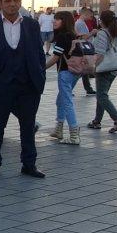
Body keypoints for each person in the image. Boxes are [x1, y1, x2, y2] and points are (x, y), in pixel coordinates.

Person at [0, 0, 47, 178]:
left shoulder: (32, 25)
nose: (12, 4)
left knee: (28, 126)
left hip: (28, 85)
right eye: (7, 1)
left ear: (20, 1)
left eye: (16, 0)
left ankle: (29, 164)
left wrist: (39, 78)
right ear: (0, 3)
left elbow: (40, 54)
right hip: (1, 85)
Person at [43, 10, 82, 146]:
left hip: (65, 72)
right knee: (61, 100)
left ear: (64, 21)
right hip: (75, 72)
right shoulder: (72, 34)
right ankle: (58, 129)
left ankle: (74, 135)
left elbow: (55, 58)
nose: (54, 21)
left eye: (57, 19)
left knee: (66, 101)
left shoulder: (63, 36)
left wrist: (41, 68)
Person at [89, 9, 117, 132]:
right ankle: (97, 121)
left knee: (101, 96)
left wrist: (93, 67)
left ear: (102, 21)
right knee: (102, 94)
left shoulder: (102, 33)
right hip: (114, 68)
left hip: (104, 69)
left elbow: (100, 54)